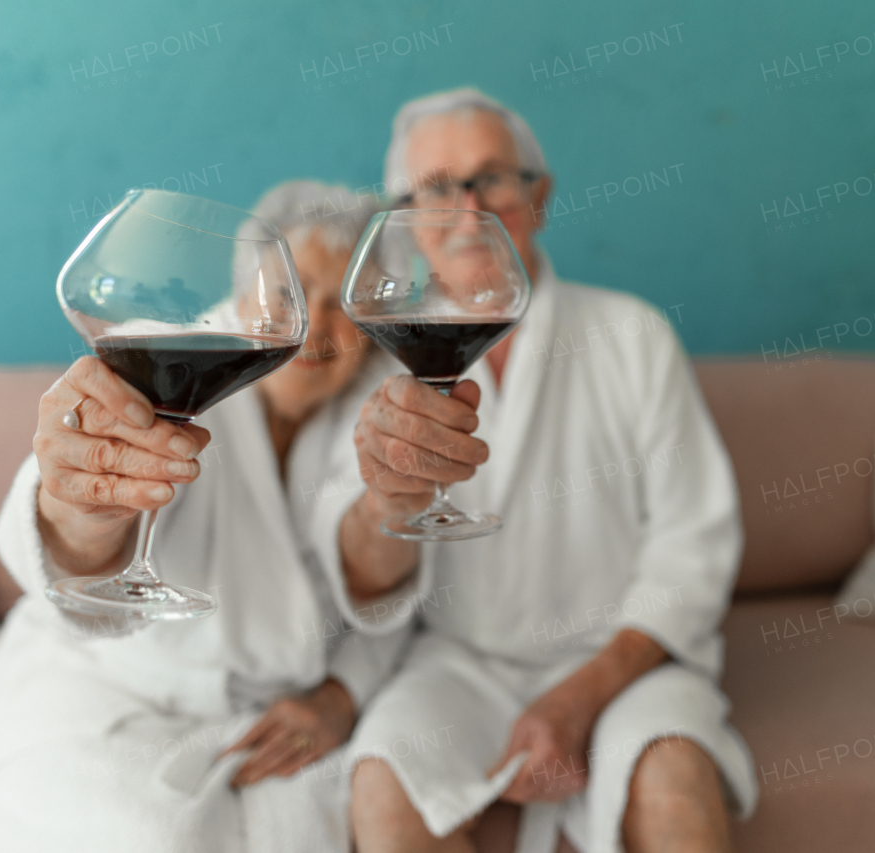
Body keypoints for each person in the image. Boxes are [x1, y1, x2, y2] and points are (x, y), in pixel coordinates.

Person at [311, 89, 757, 853]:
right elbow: (356, 567)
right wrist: (389, 497)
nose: (468, 207)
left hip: (619, 658)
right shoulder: (379, 359)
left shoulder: (632, 335)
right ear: (405, 221)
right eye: (439, 188)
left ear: (539, 196)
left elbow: (695, 542)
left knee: (674, 781)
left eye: (492, 178)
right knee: (383, 787)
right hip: (457, 661)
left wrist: (582, 697)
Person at [0, 183, 401, 853]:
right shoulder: (173, 355)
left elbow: (393, 594)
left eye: (342, 303)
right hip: (98, 692)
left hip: (256, 720)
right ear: (247, 287)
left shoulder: (376, 413)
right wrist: (80, 508)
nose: (315, 323)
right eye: (293, 292)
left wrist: (344, 693)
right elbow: (76, 486)